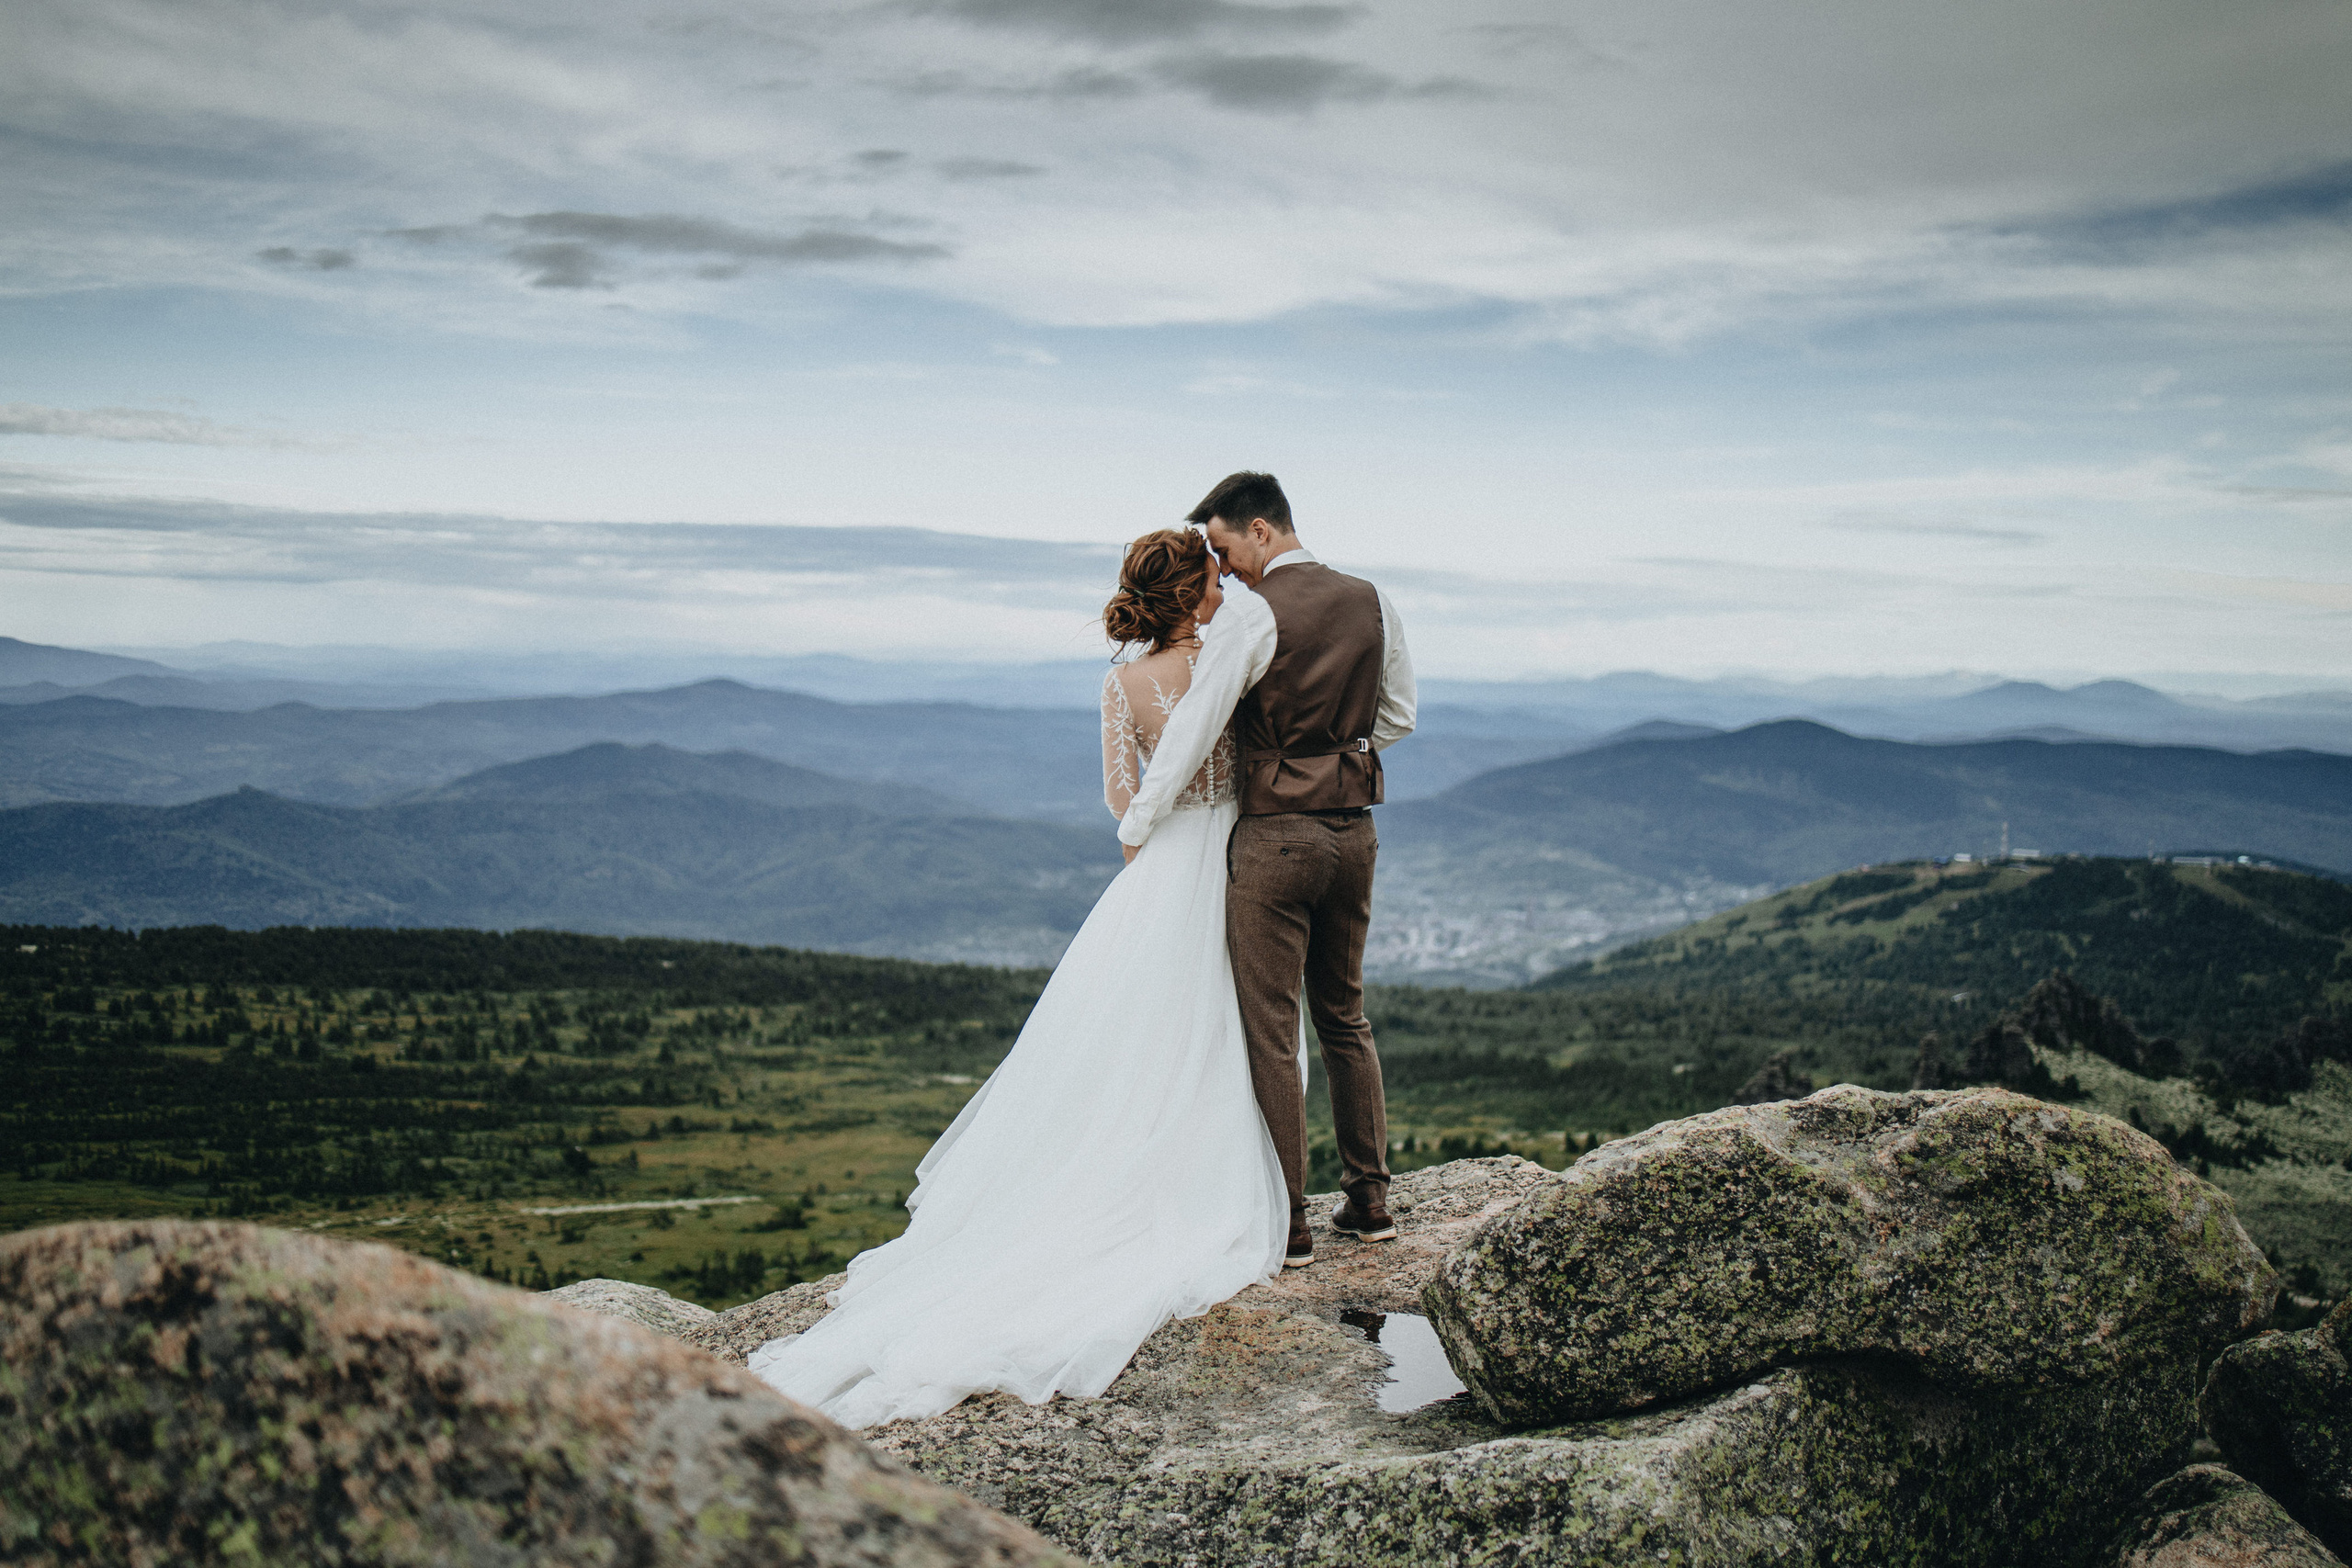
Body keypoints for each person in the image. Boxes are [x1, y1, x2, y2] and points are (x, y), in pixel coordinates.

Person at [748, 527, 1287, 1427]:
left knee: (1142, 1033)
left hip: (1161, 870)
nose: (1223, 588)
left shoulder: (1121, 684)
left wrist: (1159, 812)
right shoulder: (1235, 658)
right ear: (1197, 587)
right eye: (1212, 577)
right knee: (1229, 1022)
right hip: (1239, 856)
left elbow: (1124, 801)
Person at [1114, 471, 1416, 1269]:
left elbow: (1194, 731)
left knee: (1271, 1031)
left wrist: (1139, 823)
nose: (1223, 566)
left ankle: (1289, 1227)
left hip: (1276, 838)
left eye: (1222, 546)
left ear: (1259, 531)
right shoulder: (1371, 599)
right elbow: (1398, 716)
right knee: (1345, 1016)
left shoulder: (1253, 614)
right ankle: (1371, 1202)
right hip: (1354, 831)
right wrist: (1334, 756)